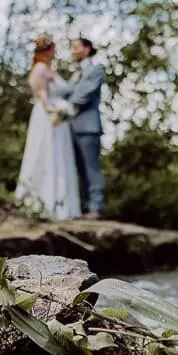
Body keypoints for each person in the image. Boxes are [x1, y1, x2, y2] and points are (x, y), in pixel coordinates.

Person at [14, 36, 82, 220]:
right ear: (47, 51)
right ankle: (48, 204)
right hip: (48, 117)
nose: (55, 53)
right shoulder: (41, 69)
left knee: (56, 156)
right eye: (53, 49)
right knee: (48, 155)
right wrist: (53, 112)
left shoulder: (44, 68)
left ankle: (57, 203)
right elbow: (43, 94)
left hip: (52, 117)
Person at [66, 37, 105, 220]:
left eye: (76, 47)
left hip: (88, 128)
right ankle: (81, 208)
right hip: (70, 128)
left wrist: (61, 106)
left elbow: (84, 95)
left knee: (91, 169)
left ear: (87, 49)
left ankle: (95, 208)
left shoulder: (96, 70)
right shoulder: (75, 75)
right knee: (77, 170)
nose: (73, 51)